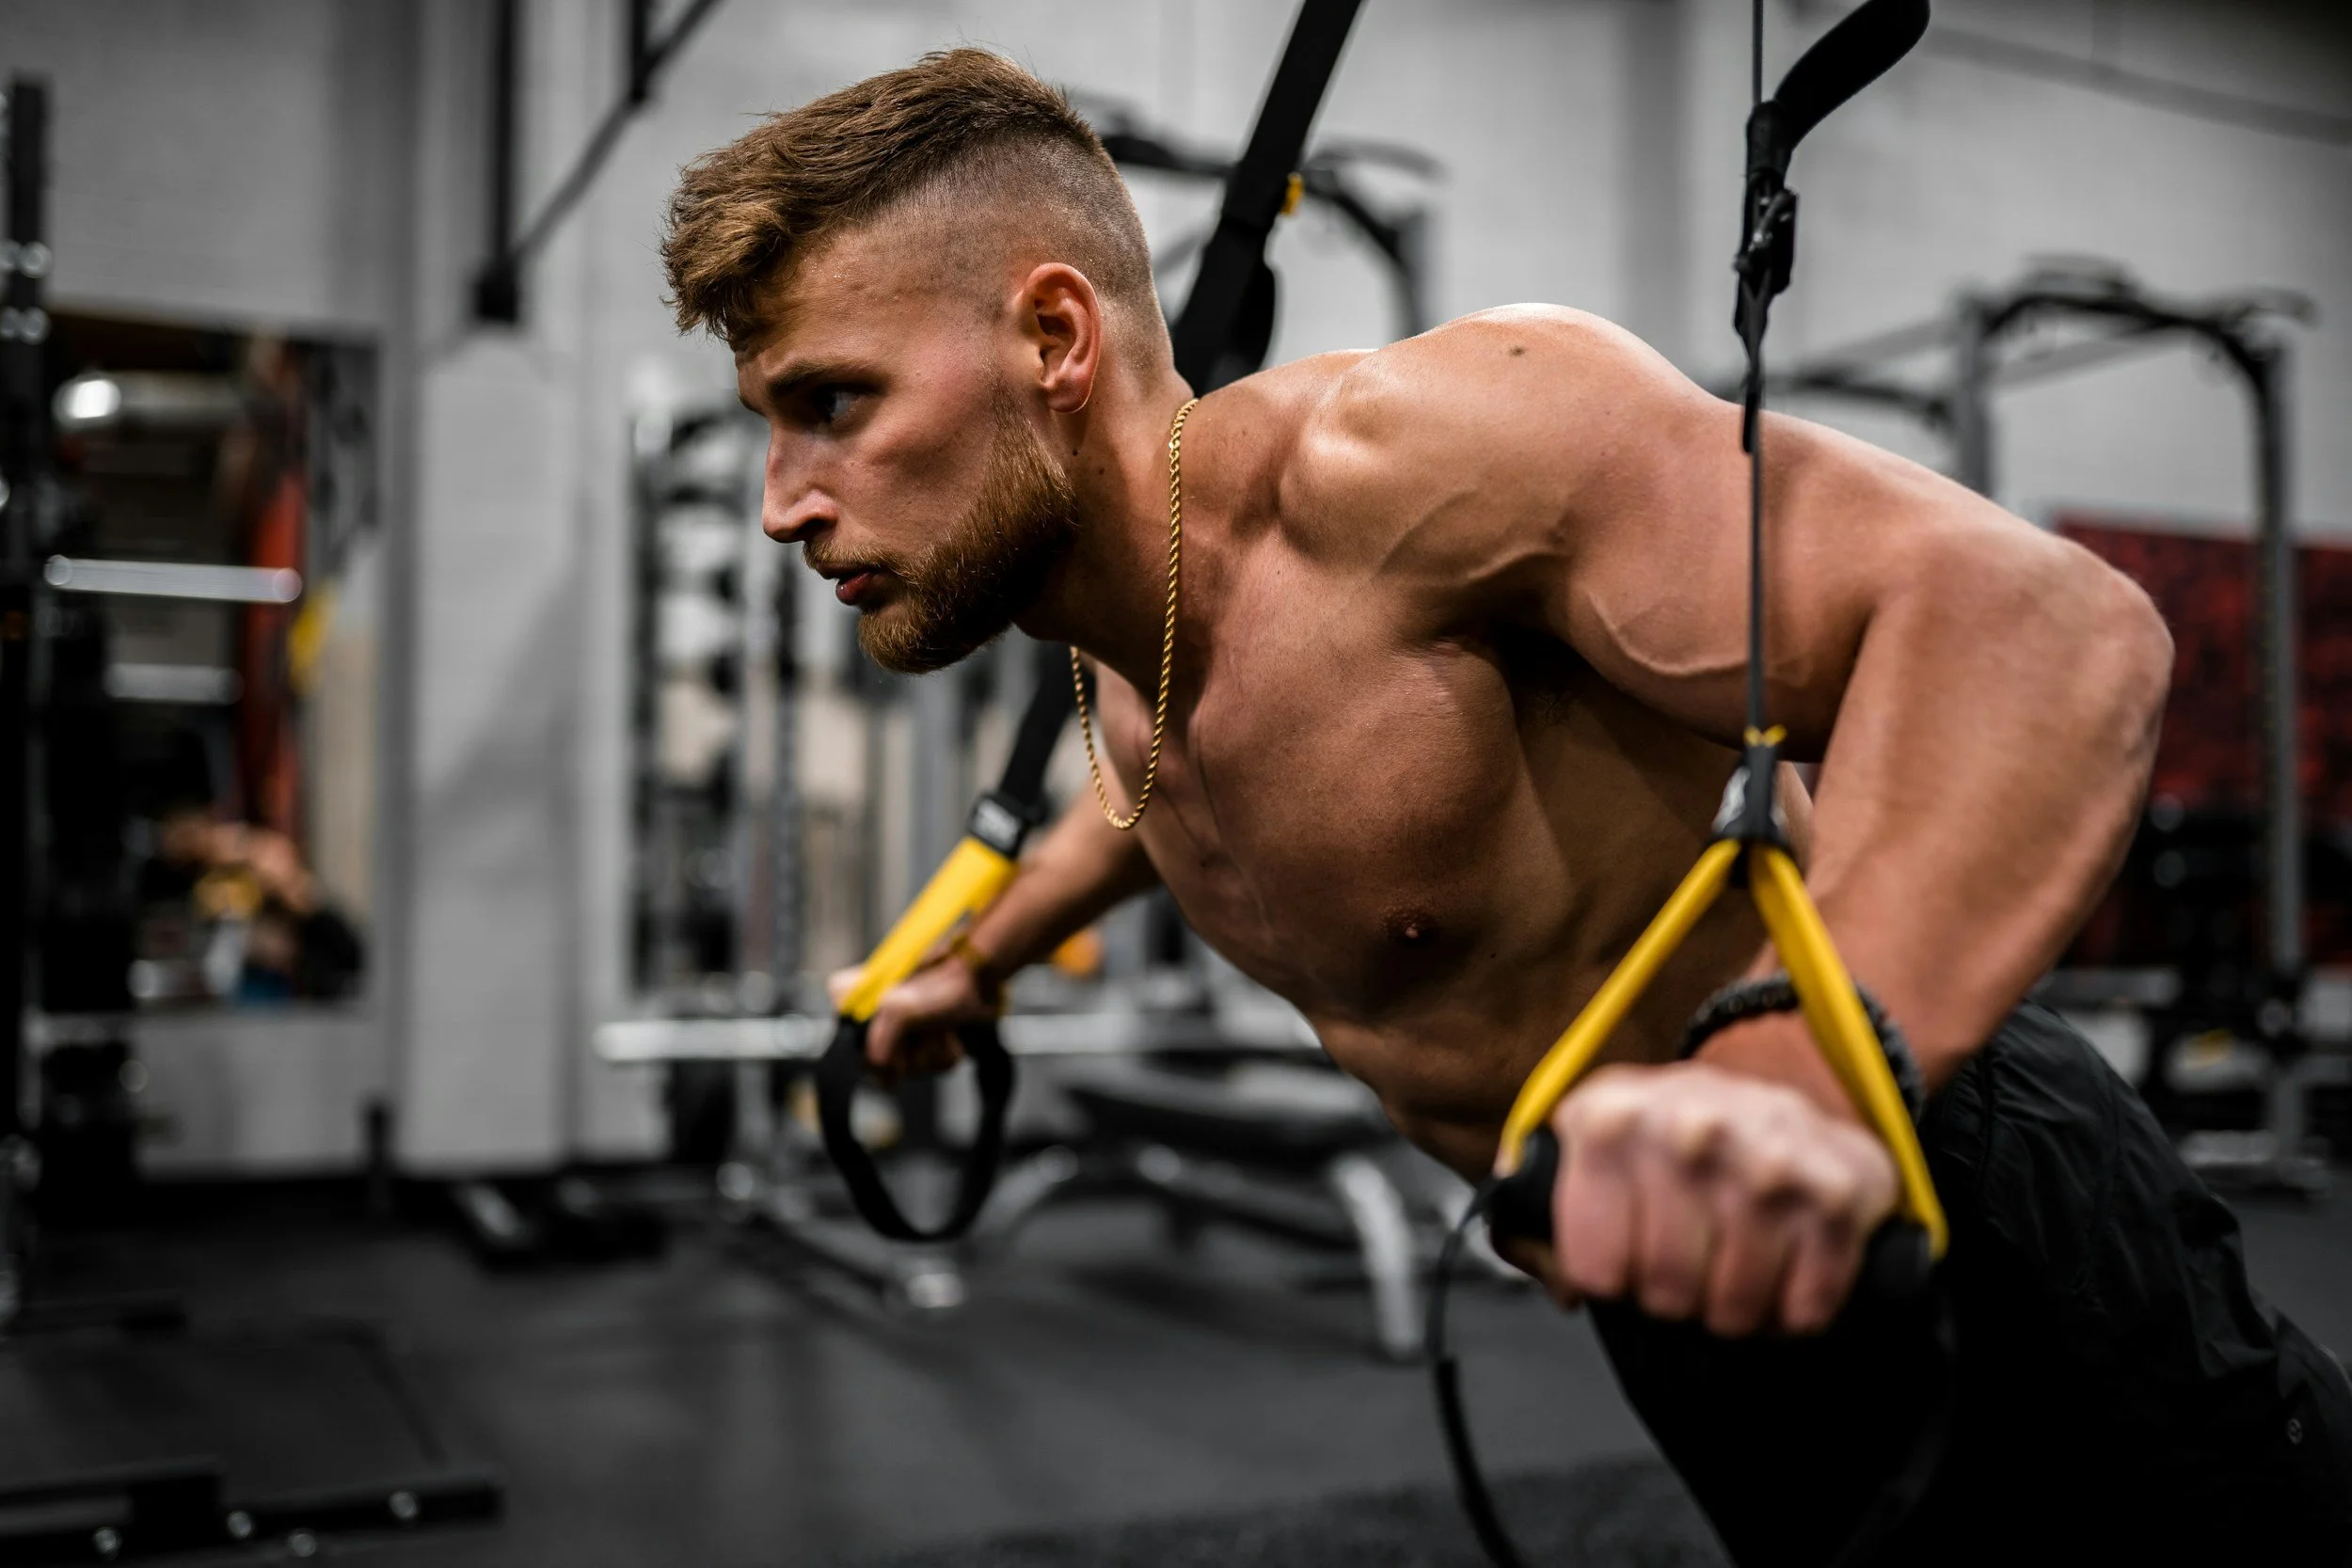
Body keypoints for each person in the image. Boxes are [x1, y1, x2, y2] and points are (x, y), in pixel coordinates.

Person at [662, 49, 2352, 1563]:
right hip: (1667, 1274)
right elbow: (1178, 799)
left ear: (1053, 336)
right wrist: (986, 955)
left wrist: (1804, 1071)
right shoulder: (1129, 650)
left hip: (1925, 1165)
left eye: (833, 402)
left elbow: (2043, 628)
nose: (780, 503)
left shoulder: (1412, 464)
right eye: (767, 427)